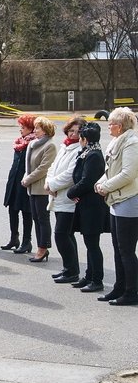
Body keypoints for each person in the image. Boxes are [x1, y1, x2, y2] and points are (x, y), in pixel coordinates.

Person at [95, 107, 138, 305]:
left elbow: (128, 174)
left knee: (126, 250)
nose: (108, 127)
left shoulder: (132, 143)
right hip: (116, 200)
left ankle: (131, 292)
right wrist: (101, 182)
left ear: (119, 127)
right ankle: (119, 287)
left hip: (129, 201)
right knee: (118, 248)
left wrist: (106, 186)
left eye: (110, 123)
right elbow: (111, 169)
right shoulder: (116, 142)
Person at [67, 123, 109, 293]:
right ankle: (89, 275)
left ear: (85, 139)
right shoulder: (88, 153)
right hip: (86, 204)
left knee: (92, 243)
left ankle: (96, 279)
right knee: (89, 242)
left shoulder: (93, 155)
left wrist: (71, 192)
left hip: (93, 207)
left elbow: (87, 181)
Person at [46, 117, 85, 283]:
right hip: (56, 195)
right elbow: (53, 167)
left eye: (78, 131)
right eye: (71, 130)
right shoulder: (64, 146)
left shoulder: (79, 150)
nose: (74, 134)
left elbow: (70, 175)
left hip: (68, 198)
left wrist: (53, 185)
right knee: (67, 235)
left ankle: (72, 271)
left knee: (62, 235)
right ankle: (69, 268)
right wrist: (49, 183)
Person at [22, 116, 57, 263]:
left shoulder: (50, 146)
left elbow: (43, 168)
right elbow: (28, 165)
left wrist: (28, 179)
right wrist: (26, 176)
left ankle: (43, 247)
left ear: (46, 130)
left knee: (42, 219)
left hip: (41, 188)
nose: (35, 130)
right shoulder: (33, 144)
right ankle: (40, 246)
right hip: (32, 188)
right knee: (36, 218)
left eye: (38, 128)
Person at [2, 114, 36, 253]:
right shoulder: (19, 142)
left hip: (25, 180)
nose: (20, 130)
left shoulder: (33, 143)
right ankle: (13, 237)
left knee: (26, 212)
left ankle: (26, 241)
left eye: (23, 127)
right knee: (12, 209)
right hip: (14, 179)